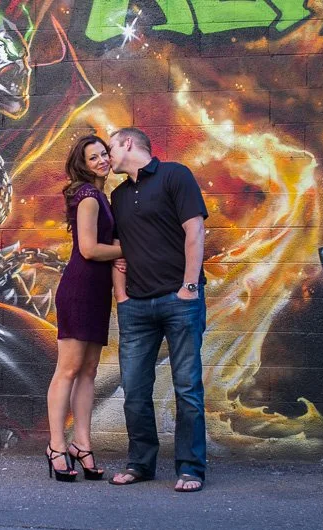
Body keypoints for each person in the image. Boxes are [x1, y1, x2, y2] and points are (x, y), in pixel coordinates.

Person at [106, 128, 208, 492]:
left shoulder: (175, 175)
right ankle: (140, 464)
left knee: (187, 388)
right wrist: (122, 298)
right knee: (134, 390)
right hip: (136, 307)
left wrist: (189, 287)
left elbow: (195, 231)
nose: (107, 155)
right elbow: (118, 249)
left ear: (128, 143)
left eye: (111, 147)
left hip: (179, 301)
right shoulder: (118, 195)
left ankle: (190, 468)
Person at [45, 135, 123, 482]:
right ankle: (56, 446)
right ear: (83, 165)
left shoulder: (101, 196)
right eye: (94, 158)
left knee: (89, 370)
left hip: (96, 292)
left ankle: (82, 444)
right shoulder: (88, 197)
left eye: (104, 154)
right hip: (79, 290)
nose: (102, 160)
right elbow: (90, 250)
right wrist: (129, 250)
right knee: (68, 370)